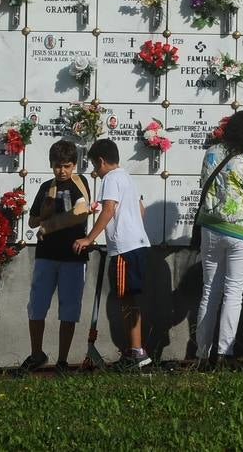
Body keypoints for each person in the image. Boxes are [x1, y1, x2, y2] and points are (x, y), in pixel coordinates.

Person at [193, 110, 243, 367]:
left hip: (210, 228)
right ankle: (224, 353)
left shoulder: (211, 153)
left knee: (209, 290)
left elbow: (204, 184)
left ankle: (201, 353)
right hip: (241, 232)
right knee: (234, 292)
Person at [72, 138, 151, 369]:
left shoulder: (110, 178)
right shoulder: (126, 177)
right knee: (130, 298)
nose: (96, 172)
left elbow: (108, 209)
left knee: (127, 300)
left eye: (95, 167)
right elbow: (140, 209)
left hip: (124, 248)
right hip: (137, 244)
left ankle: (137, 352)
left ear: (101, 161)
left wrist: (89, 238)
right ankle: (135, 351)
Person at [22, 139, 91, 372]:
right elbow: (32, 222)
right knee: (37, 307)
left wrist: (51, 224)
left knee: (69, 310)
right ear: (51, 165)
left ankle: (62, 360)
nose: (62, 171)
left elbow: (81, 212)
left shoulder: (80, 184)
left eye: (67, 165)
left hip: (72, 257)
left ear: (74, 165)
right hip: (46, 255)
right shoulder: (45, 187)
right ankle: (36, 354)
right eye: (57, 166)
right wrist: (44, 214)